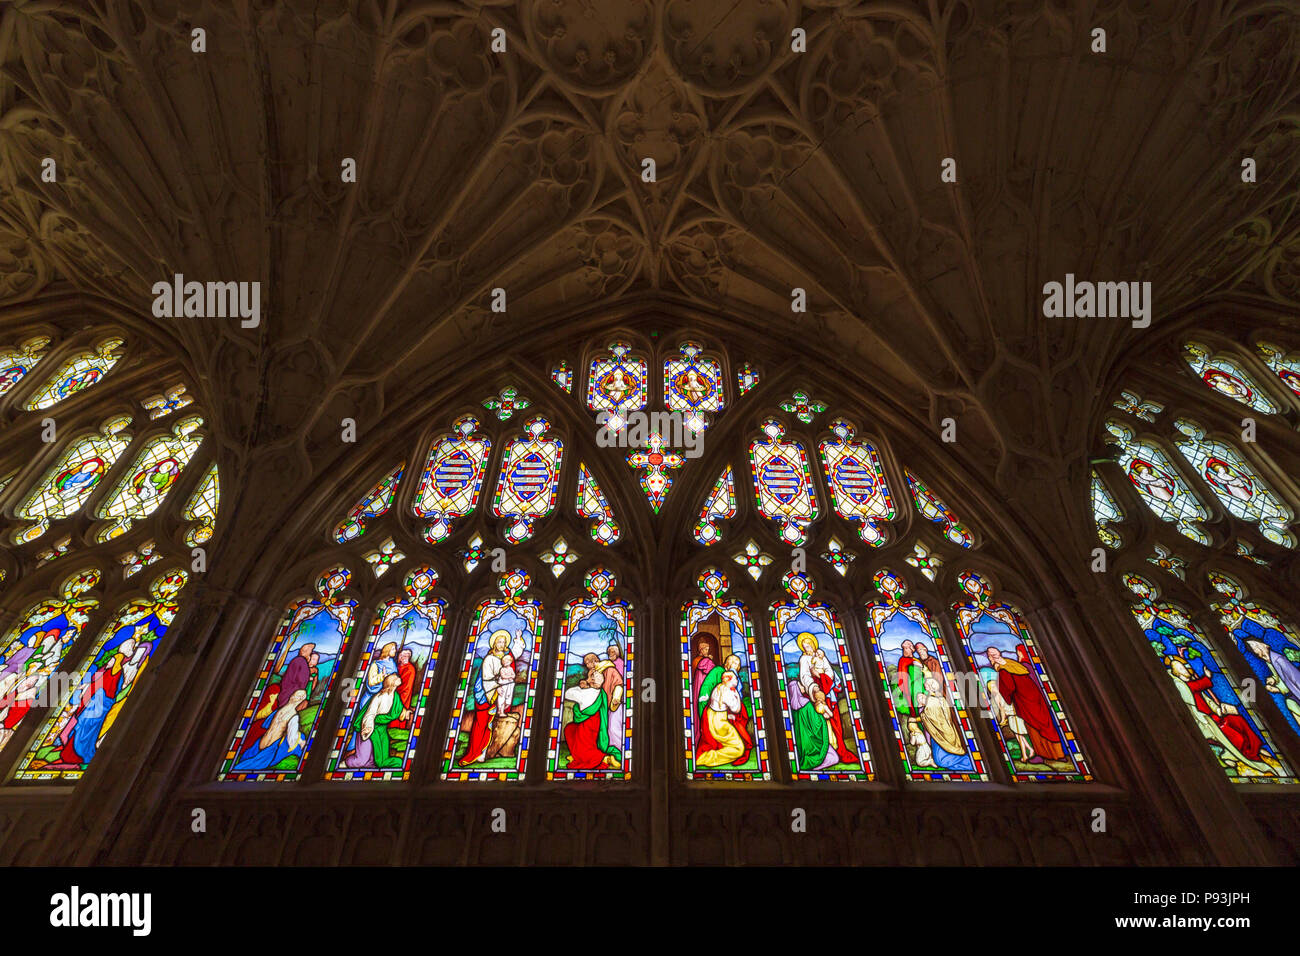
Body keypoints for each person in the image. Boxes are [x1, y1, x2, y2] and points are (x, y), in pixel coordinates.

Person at [985, 646, 1064, 763]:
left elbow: (1009, 688)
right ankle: (1058, 754)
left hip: (1024, 702)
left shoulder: (1003, 670)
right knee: (1046, 724)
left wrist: (1000, 691)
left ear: (992, 657)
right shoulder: (1015, 665)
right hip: (1036, 697)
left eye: (990, 655)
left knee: (1034, 727)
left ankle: (1044, 754)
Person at [458, 630, 512, 765]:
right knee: (481, 724)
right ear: (494, 643)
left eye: (504, 642)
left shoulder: (505, 658)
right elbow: (486, 678)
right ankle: (474, 753)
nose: (501, 644)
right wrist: (496, 686)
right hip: (485, 695)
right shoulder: (489, 659)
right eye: (499, 641)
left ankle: (484, 752)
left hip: (496, 693)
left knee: (490, 723)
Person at [232, 690, 308, 772]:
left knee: (244, 765)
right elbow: (291, 739)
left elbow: (267, 725)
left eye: (295, 695)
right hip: (265, 747)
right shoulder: (288, 715)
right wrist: (300, 741)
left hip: (265, 746)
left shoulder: (283, 713)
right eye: (294, 694)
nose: (293, 696)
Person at [696, 670, 752, 768]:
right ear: (730, 680)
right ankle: (707, 758)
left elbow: (718, 707)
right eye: (735, 678)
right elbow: (736, 709)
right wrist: (737, 696)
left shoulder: (718, 687)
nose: (737, 680)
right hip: (719, 724)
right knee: (738, 749)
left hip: (712, 718)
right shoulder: (727, 692)